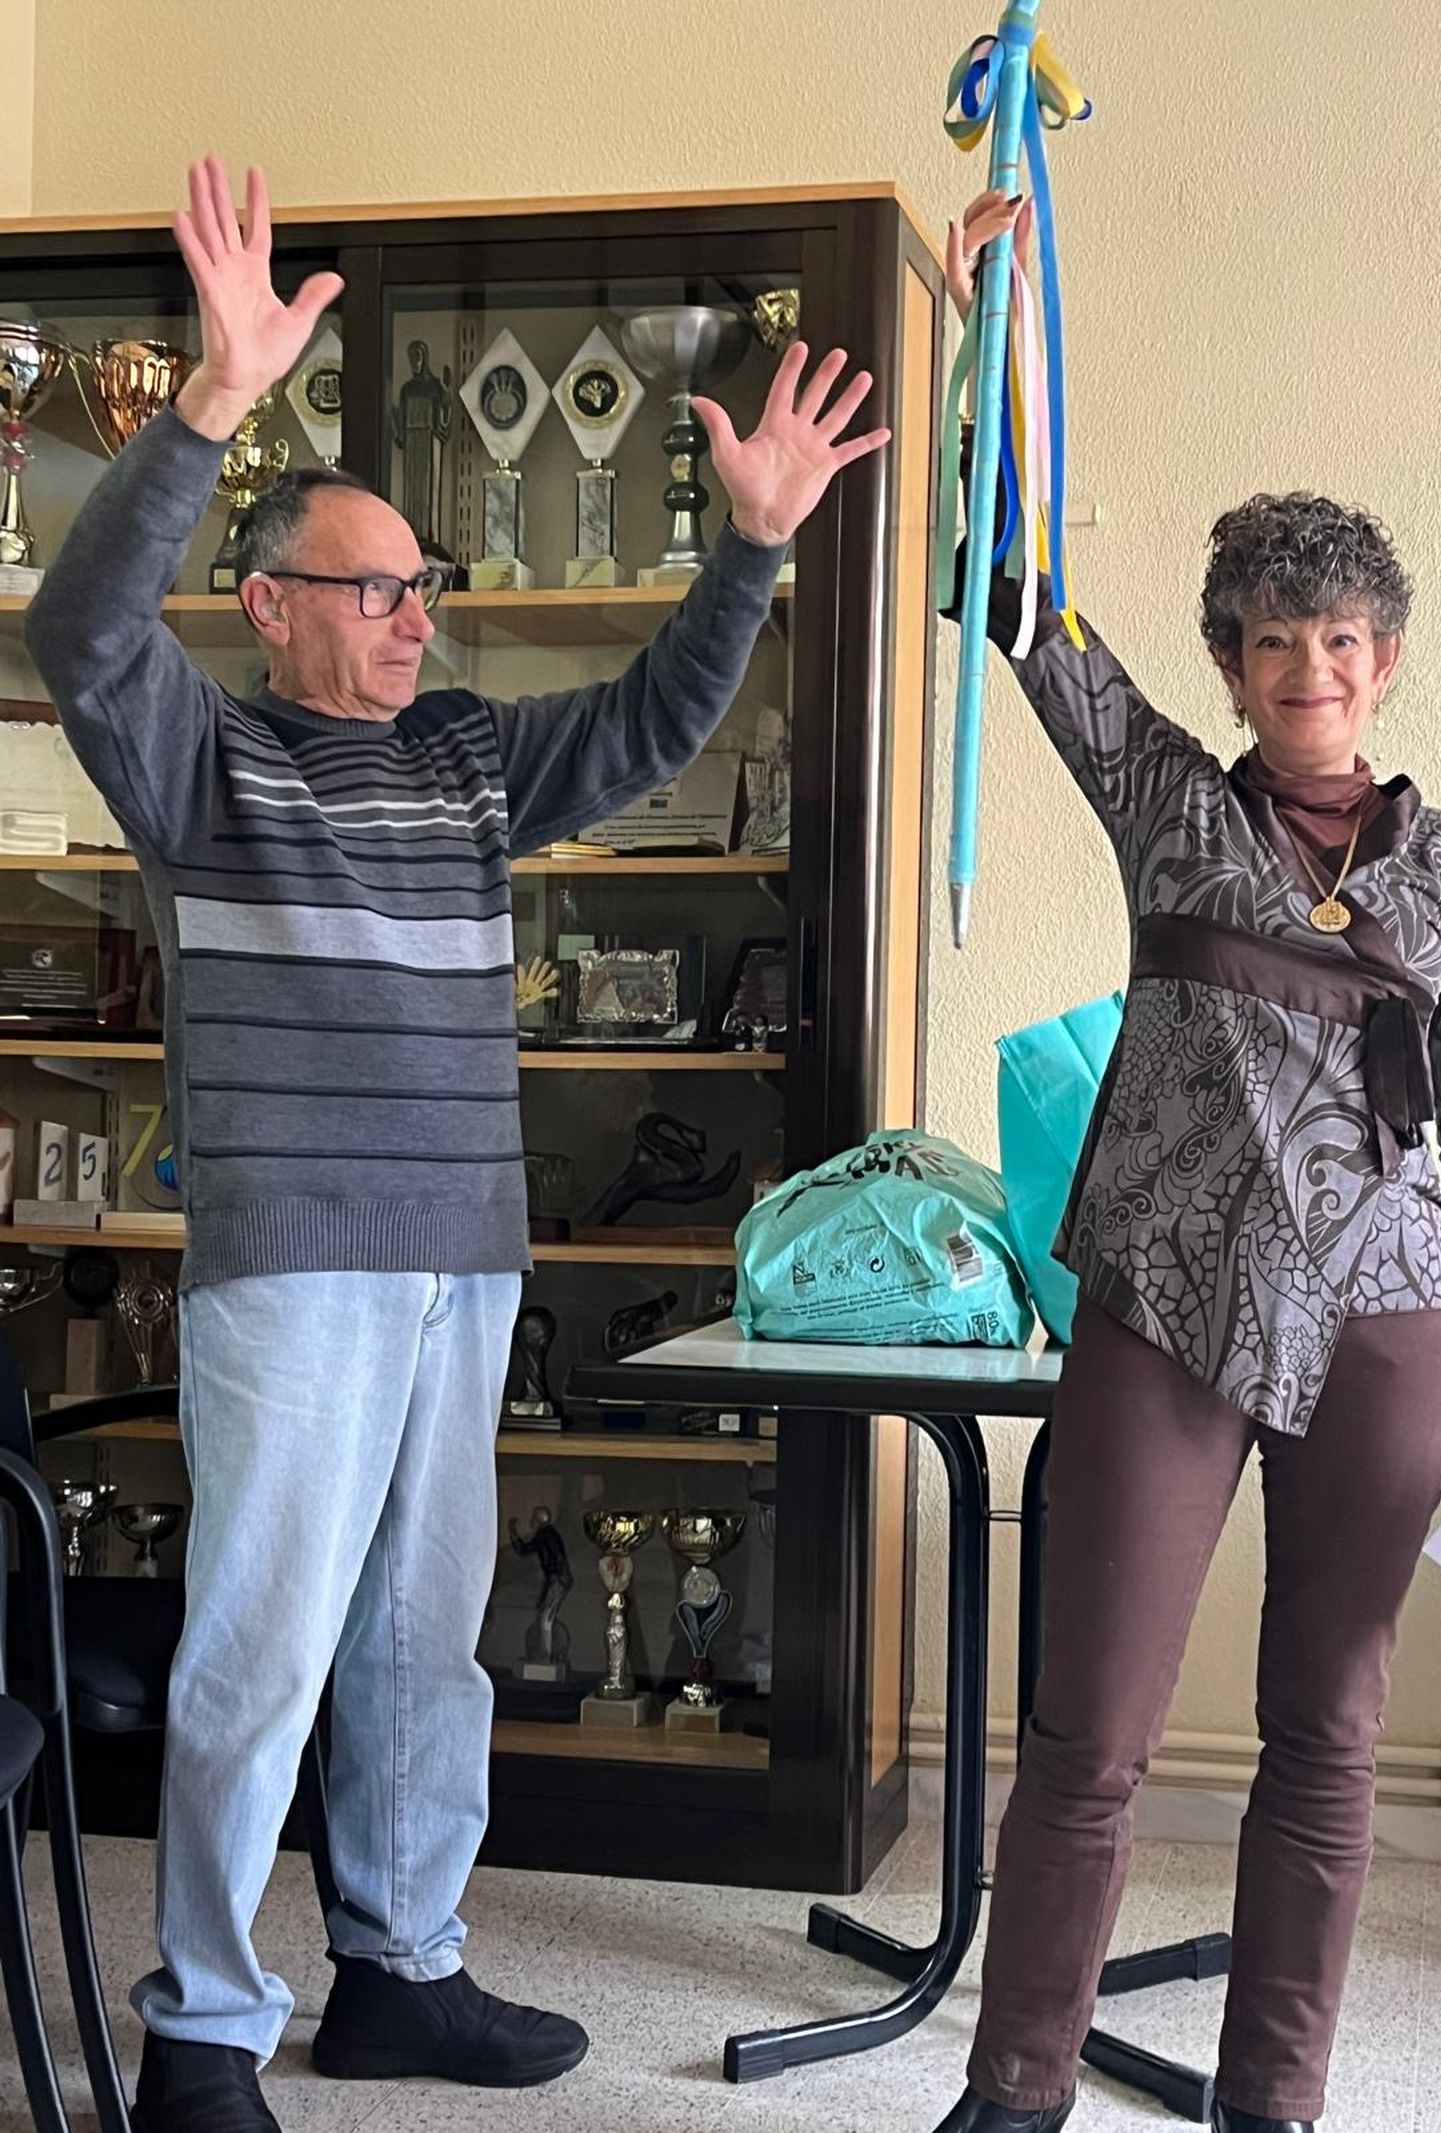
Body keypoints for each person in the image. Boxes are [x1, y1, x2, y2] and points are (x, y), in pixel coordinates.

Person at [26, 155, 888, 2133]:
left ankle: (402, 1971)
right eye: (382, 586)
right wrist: (219, 402)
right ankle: (204, 2028)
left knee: (431, 1639)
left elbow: (668, 715)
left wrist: (749, 545)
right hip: (300, 1260)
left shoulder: (468, 753)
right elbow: (80, 628)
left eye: (430, 585)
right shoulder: (198, 759)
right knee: (261, 1646)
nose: (423, 614)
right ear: (271, 606)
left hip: (460, 1253)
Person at [931, 190, 1441, 2133]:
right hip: (1163, 1294)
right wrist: (986, 349)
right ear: (1227, 662)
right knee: (1086, 1736)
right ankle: (1013, 2092)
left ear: (1381, 659)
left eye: (1338, 633)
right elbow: (1006, 591)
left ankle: (1269, 2107)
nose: (1305, 661)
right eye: (1269, 635)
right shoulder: (1161, 801)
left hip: (1391, 1316)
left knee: (1325, 1740)